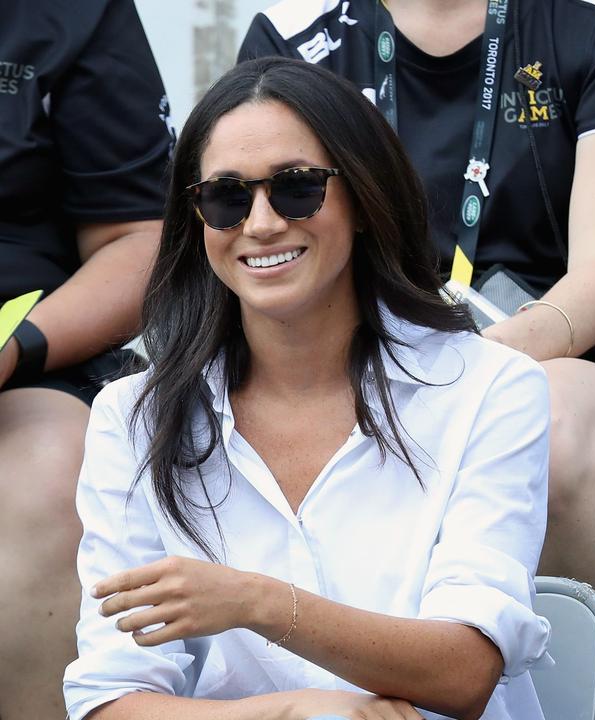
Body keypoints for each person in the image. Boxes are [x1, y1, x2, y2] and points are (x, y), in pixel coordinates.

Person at [63, 57, 551, 720]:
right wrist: (294, 713)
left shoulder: (491, 389)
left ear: (362, 199)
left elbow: (465, 669)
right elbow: (110, 699)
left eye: (296, 188)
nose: (261, 223)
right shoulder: (131, 417)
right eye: (227, 197)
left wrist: (256, 603)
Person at [237, 2, 595, 717]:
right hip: (361, 371)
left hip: (575, 364)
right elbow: (258, 244)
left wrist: (464, 374)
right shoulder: (294, 30)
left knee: (543, 424)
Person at [0, 1, 170, 716]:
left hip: (23, 353)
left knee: (49, 475)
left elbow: (138, 239)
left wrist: (16, 350)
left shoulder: (73, 11)